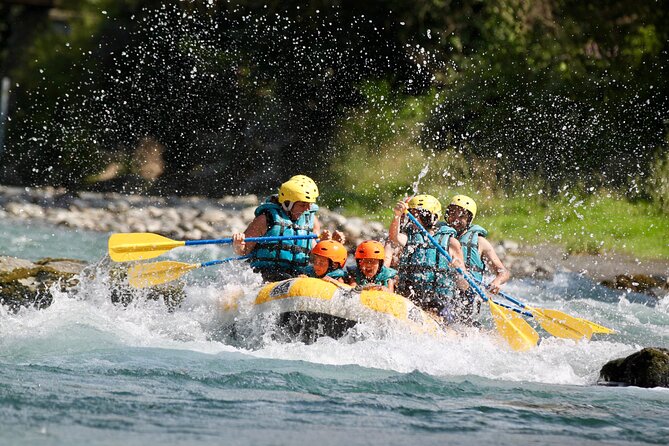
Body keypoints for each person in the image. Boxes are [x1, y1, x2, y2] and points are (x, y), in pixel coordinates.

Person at [232, 175, 342, 282]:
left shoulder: (311, 221)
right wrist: (238, 245)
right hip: (267, 274)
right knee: (286, 277)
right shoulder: (266, 219)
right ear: (287, 203)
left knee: (336, 275)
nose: (307, 209)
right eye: (303, 204)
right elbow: (244, 250)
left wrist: (328, 245)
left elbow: (315, 256)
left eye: (310, 204)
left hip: (298, 273)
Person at [388, 194, 470, 323]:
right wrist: (397, 216)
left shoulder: (451, 242)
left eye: (422, 215)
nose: (416, 219)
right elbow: (394, 238)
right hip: (411, 297)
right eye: (413, 214)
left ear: (434, 218)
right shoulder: (409, 236)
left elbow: (464, 285)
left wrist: (457, 268)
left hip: (439, 303)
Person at [444, 195, 510, 294]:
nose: (456, 219)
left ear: (469, 220)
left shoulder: (480, 242)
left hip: (467, 300)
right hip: (441, 296)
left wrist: (496, 282)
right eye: (453, 214)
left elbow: (503, 272)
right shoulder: (438, 237)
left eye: (462, 216)